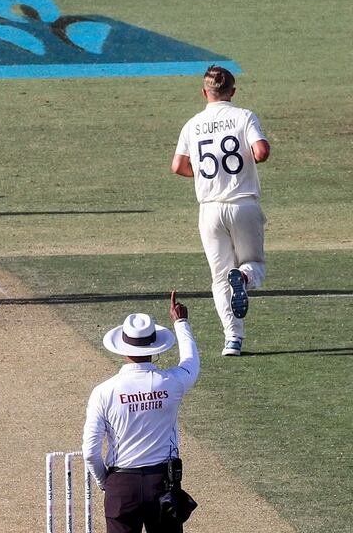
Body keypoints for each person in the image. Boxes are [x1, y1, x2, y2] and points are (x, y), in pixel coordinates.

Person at [171, 65, 271, 356]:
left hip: (210, 210)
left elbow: (178, 166)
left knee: (218, 278)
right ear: (233, 91)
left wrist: (204, 174)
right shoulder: (243, 116)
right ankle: (244, 278)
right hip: (243, 204)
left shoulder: (192, 124)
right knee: (253, 265)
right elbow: (261, 151)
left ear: (205, 93)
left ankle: (232, 339)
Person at [82, 292, 200, 533]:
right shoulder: (172, 382)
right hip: (163, 483)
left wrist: (107, 483)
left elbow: (90, 452)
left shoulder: (103, 392)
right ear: (155, 347)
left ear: (122, 348)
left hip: (122, 484)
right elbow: (191, 362)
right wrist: (181, 323)